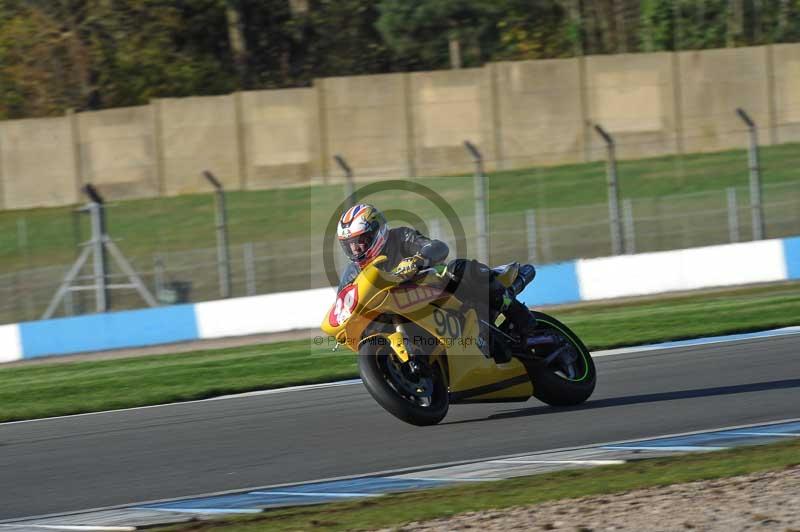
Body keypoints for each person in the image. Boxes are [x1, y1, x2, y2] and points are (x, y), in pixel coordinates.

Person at [336, 203, 537, 359]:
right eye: (350, 245)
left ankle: (516, 312)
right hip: (399, 310)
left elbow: (438, 247)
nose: (356, 250)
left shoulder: (400, 237)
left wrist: (418, 260)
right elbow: (344, 300)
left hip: (435, 289)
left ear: (377, 232)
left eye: (360, 241)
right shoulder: (353, 272)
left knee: (460, 268)